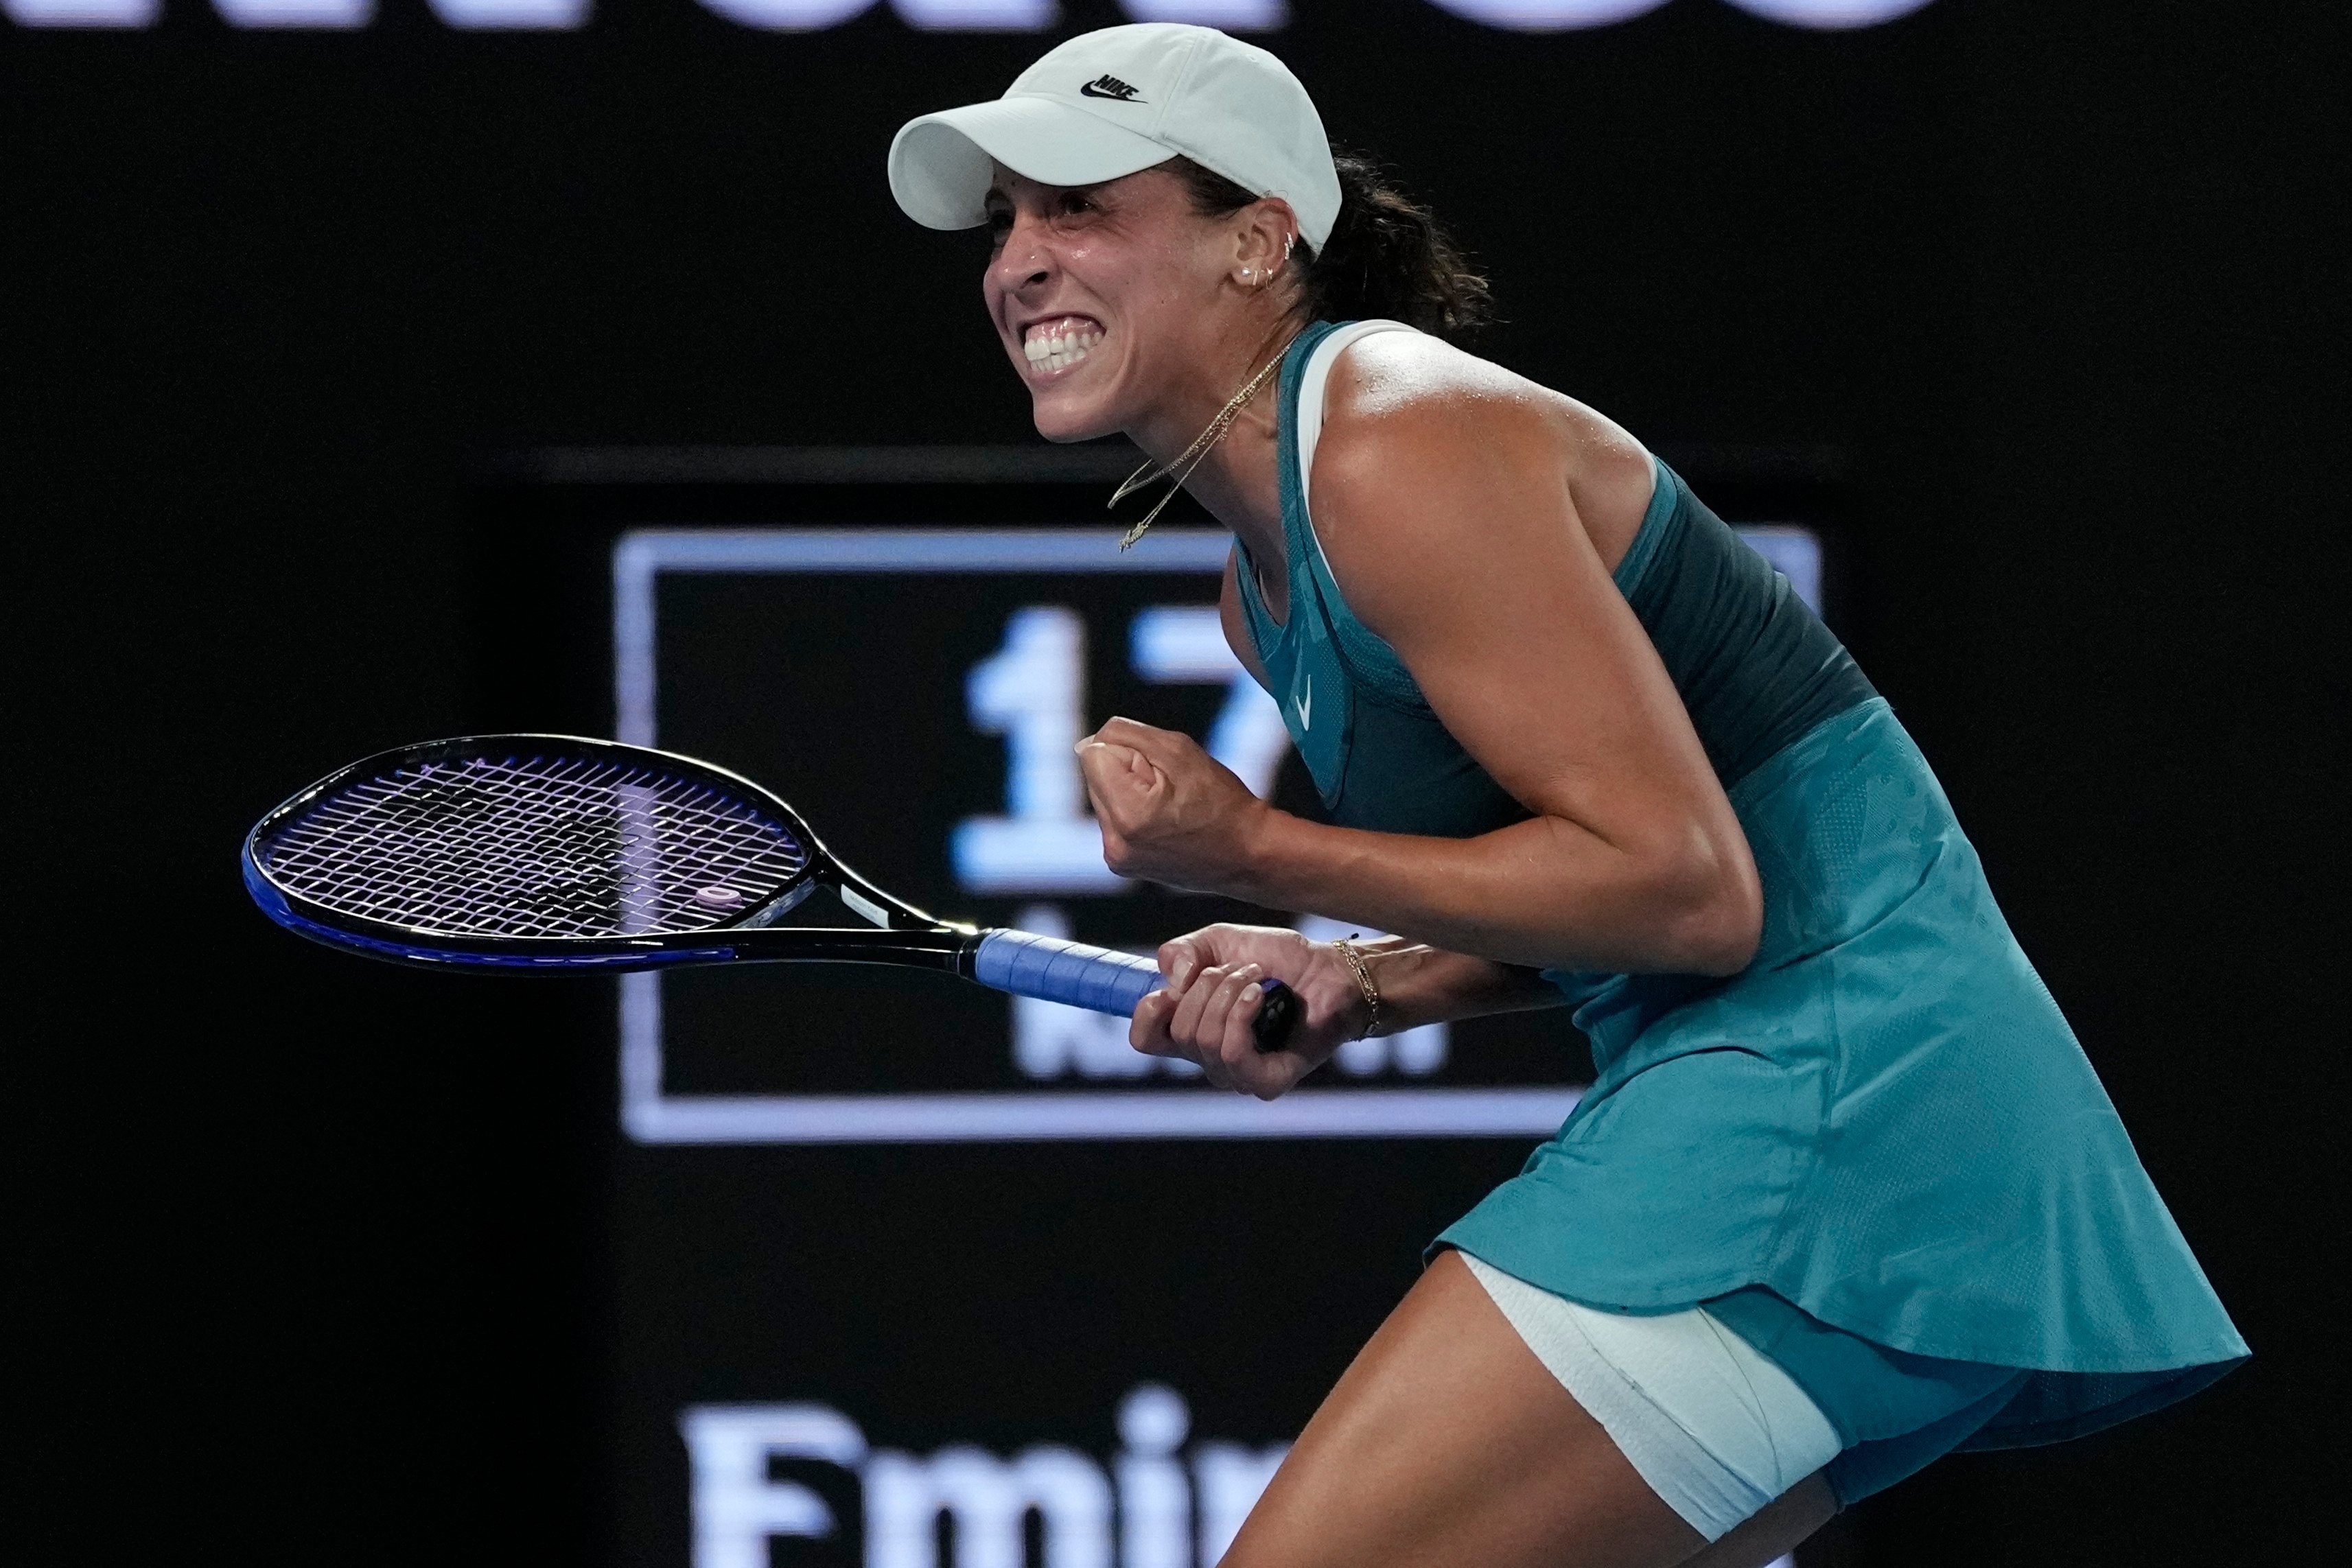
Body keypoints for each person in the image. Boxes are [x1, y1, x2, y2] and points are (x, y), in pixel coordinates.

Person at [889, 23, 2245, 1568]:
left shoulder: (1393, 438)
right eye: (1004, 221)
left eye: (1078, 209)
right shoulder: (1258, 592)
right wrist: (1350, 981)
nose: (1020, 262)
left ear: (1258, 240)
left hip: (1832, 1118)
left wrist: (1252, 848)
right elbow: (1598, 899)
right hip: (1871, 1125)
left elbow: (1684, 890)